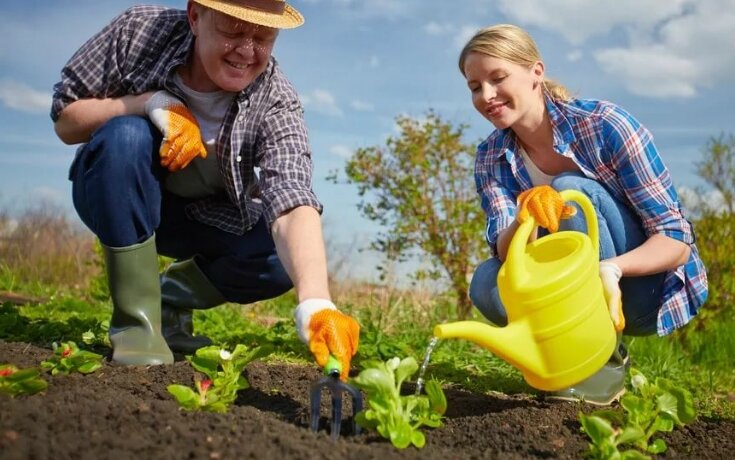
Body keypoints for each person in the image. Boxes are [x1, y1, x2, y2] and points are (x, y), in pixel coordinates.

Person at [51, 0, 359, 381]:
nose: (247, 51)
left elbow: (292, 197)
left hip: (204, 221)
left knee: (279, 261)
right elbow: (66, 121)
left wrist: (316, 302)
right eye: (233, 30)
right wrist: (150, 103)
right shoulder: (140, 32)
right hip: (117, 195)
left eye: (263, 37)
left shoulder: (276, 100)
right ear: (195, 17)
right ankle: (137, 325)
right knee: (126, 135)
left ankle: (167, 299)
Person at [459, 24, 708, 404]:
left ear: (535, 73)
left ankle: (602, 360)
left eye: (498, 78)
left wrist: (610, 268)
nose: (487, 95)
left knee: (570, 192)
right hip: (568, 293)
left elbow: (676, 241)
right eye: (476, 87)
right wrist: (525, 215)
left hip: (638, 291)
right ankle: (570, 356)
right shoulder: (490, 157)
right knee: (486, 282)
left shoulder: (606, 126)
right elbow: (504, 250)